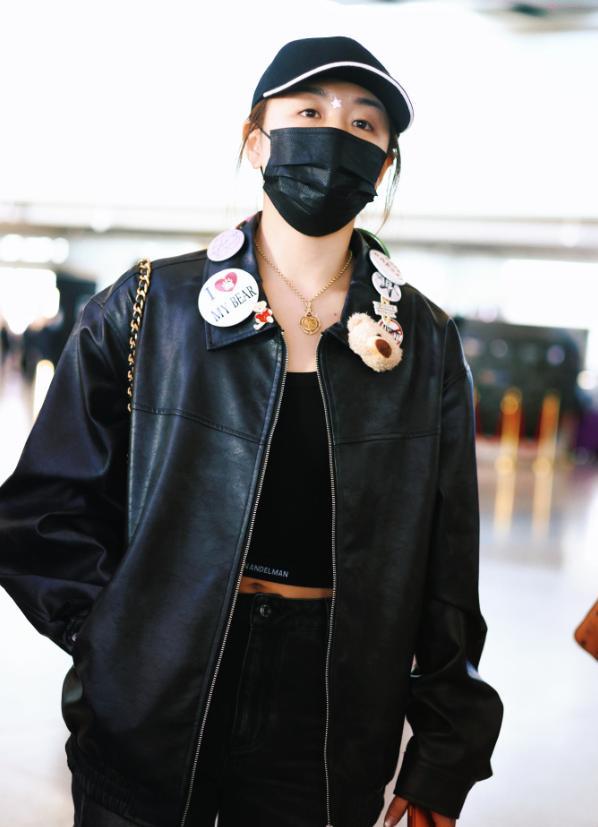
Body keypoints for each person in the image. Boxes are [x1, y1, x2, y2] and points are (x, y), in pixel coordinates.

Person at [0, 35, 504, 827]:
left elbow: (448, 569)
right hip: (154, 690)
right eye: (308, 112)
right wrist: (119, 639)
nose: (335, 134)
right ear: (256, 139)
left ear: (384, 166)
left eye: (363, 124)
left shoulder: (426, 344)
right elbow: (40, 514)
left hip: (329, 704)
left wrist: (447, 748)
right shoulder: (146, 308)